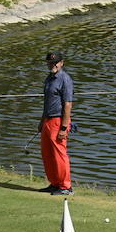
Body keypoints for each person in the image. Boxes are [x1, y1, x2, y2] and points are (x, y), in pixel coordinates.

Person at [38, 51, 74, 195]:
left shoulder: (65, 79)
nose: (52, 65)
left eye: (55, 63)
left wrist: (64, 127)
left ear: (61, 63)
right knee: (47, 154)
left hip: (59, 121)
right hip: (48, 120)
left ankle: (66, 187)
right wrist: (42, 121)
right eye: (50, 63)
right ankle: (55, 183)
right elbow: (46, 103)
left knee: (59, 154)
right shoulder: (49, 79)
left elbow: (67, 105)